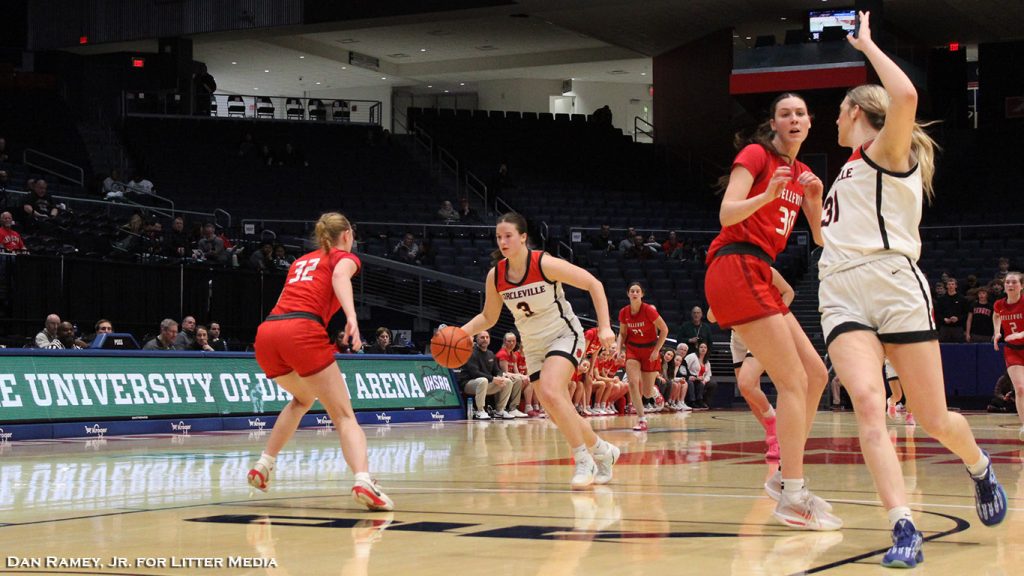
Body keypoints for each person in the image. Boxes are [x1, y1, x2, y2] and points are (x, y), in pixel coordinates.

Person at [817, 13, 1005, 567]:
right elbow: (837, 238)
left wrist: (868, 45)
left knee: (933, 417)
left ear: (857, 112)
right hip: (841, 292)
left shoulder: (887, 152)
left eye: (840, 109)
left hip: (894, 283)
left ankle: (979, 467)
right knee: (869, 409)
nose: (834, 118)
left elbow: (904, 94)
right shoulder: (846, 171)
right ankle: (903, 526)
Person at [703, 85, 835, 530]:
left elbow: (819, 240)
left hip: (760, 269)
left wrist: (814, 201)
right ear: (774, 123)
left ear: (810, 122)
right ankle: (793, 495)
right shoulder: (758, 156)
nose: (794, 119)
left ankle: (784, 478)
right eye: (785, 113)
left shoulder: (802, 172)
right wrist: (766, 194)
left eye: (801, 112)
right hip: (734, 261)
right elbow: (726, 213)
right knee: (793, 380)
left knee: (816, 374)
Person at [460, 212, 620, 489]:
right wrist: (461, 332)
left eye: (508, 235)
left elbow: (594, 284)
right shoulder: (495, 275)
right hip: (533, 345)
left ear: (523, 237)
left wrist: (605, 327)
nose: (503, 241)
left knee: (550, 390)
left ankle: (583, 460)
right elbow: (488, 317)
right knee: (557, 407)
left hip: (564, 335)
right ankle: (603, 451)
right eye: (499, 237)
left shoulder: (543, 263)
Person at [247, 212, 393, 511]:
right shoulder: (344, 257)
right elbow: (339, 276)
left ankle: (263, 465)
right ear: (348, 234)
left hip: (268, 334)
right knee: (343, 416)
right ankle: (364, 480)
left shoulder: (301, 262)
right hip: (301, 330)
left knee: (302, 399)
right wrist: (352, 317)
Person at [708, 266, 793, 460]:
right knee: (748, 392)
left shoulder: (764, 269)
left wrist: (779, 315)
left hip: (762, 333)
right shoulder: (727, 277)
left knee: (745, 383)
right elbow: (711, 317)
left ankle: (774, 424)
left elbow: (788, 291)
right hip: (738, 337)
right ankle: (774, 436)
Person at [615, 283, 669, 431]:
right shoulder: (624, 312)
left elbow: (664, 330)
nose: (634, 293)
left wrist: (657, 350)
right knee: (632, 383)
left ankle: (654, 392)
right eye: (632, 291)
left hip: (650, 350)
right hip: (632, 349)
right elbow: (623, 333)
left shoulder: (649, 310)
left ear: (642, 294)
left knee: (646, 392)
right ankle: (641, 419)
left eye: (637, 291)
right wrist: (618, 348)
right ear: (628, 294)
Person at [459, 330, 517, 420]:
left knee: (508, 381)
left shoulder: (490, 354)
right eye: (482, 337)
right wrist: (493, 379)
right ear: (476, 339)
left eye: (487, 337)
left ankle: (500, 410)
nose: (485, 339)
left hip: (485, 384)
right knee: (483, 380)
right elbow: (475, 373)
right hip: (468, 384)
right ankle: (480, 410)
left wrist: (500, 376)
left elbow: (497, 370)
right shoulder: (471, 353)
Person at [993, 271, 1024, 440]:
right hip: (1012, 350)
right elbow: (996, 315)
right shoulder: (999, 304)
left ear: (1021, 286)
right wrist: (997, 332)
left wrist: (1020, 335)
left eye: (1014, 282)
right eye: (1008, 282)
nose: (1010, 285)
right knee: (1020, 388)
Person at [684, 342, 714, 409]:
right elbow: (685, 367)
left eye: (705, 347)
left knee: (713, 384)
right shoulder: (692, 356)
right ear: (698, 348)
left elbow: (708, 375)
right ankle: (692, 402)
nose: (703, 349)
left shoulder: (707, 362)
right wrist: (690, 376)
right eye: (701, 347)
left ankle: (703, 401)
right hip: (691, 378)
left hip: (700, 380)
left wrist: (704, 380)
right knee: (691, 383)